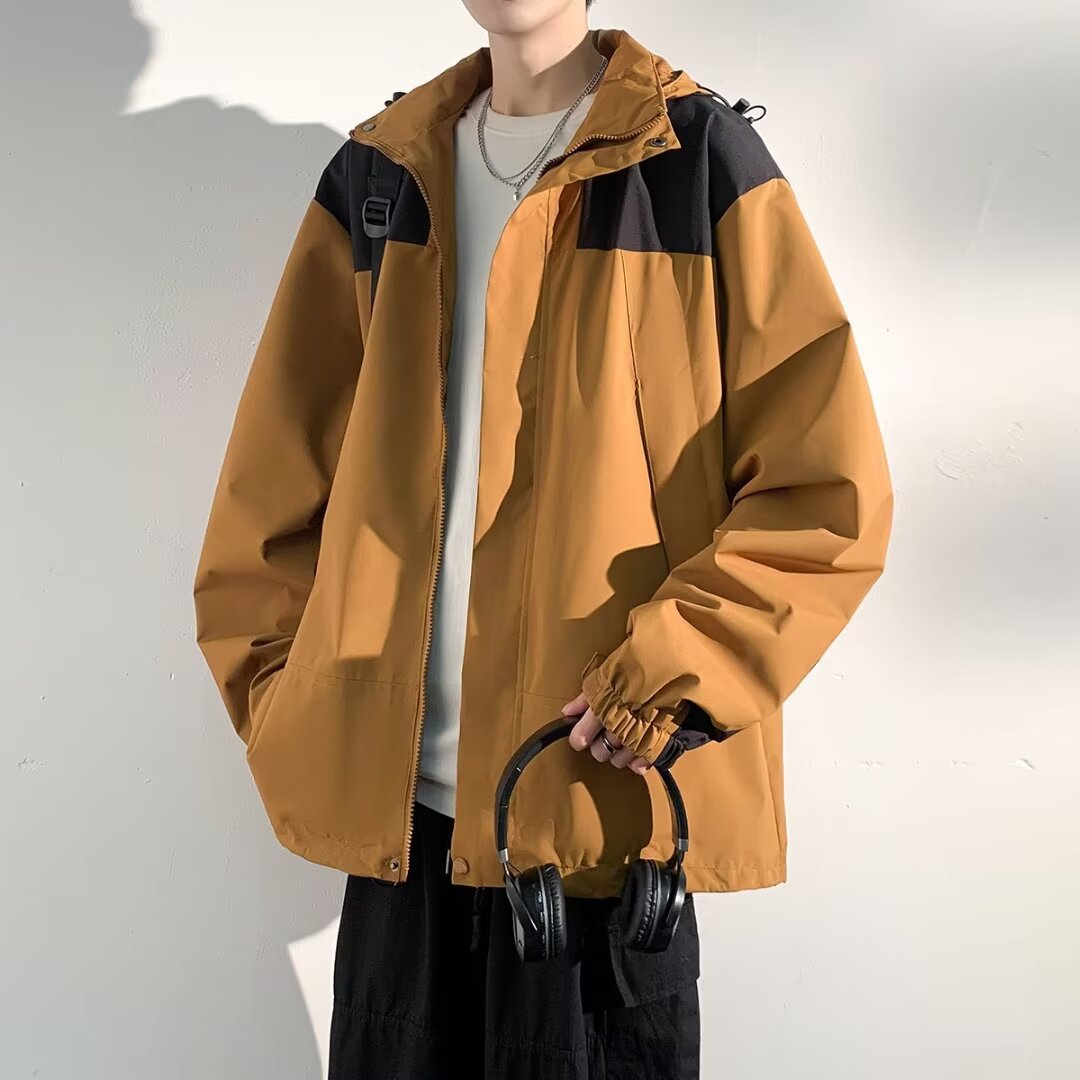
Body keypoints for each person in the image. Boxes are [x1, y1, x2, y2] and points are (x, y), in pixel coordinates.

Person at [193, 3, 894, 1077]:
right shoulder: (381, 176)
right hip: (403, 848)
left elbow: (826, 492)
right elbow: (269, 497)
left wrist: (667, 680)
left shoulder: (694, 162)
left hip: (601, 833)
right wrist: (302, 710)